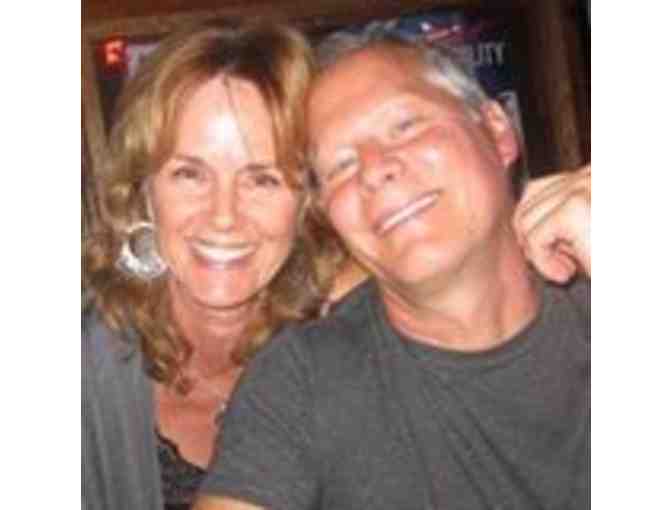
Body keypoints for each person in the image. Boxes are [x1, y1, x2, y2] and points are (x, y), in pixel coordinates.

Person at [195, 27, 590, 510]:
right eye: (340, 165)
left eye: (405, 126)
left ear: (497, 130)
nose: (374, 169)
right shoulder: (303, 380)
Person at [82, 19, 341, 510]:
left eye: (262, 179)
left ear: (308, 199)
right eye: (189, 174)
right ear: (144, 189)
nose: (224, 216)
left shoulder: (350, 347)